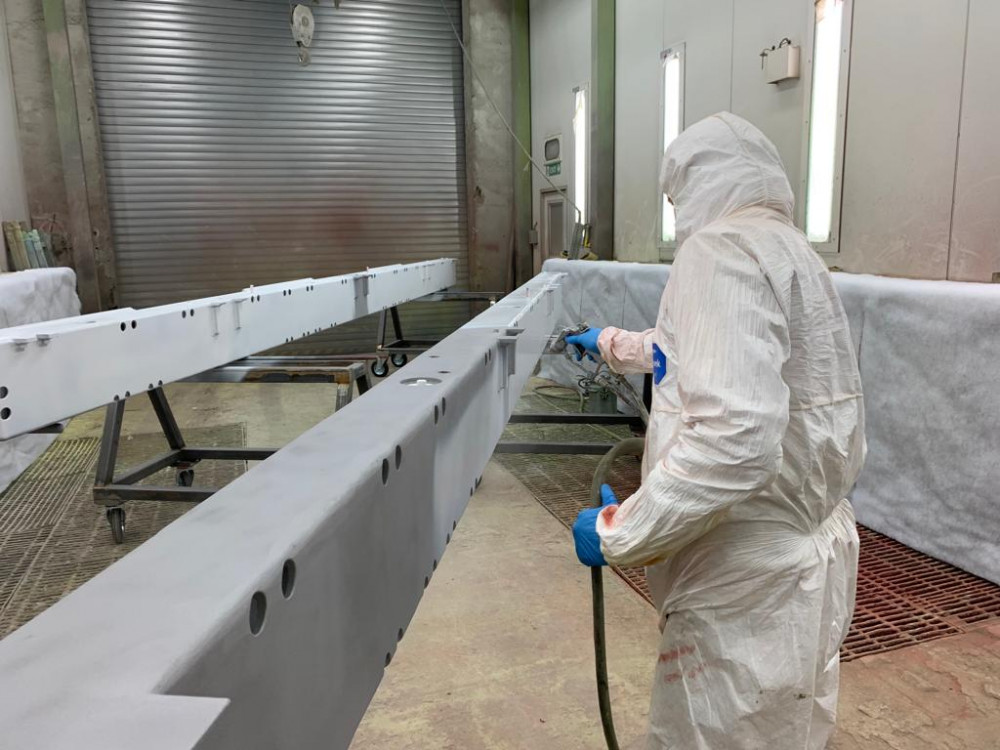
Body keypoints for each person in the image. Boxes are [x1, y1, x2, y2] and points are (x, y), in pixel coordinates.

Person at [566, 112, 865, 749]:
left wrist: (623, 531)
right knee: (788, 730)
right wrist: (611, 344)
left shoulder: (719, 251)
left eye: (677, 200)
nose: (678, 216)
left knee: (716, 734)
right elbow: (699, 349)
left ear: (701, 185)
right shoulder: (789, 250)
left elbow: (738, 440)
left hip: (742, 579)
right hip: (807, 560)